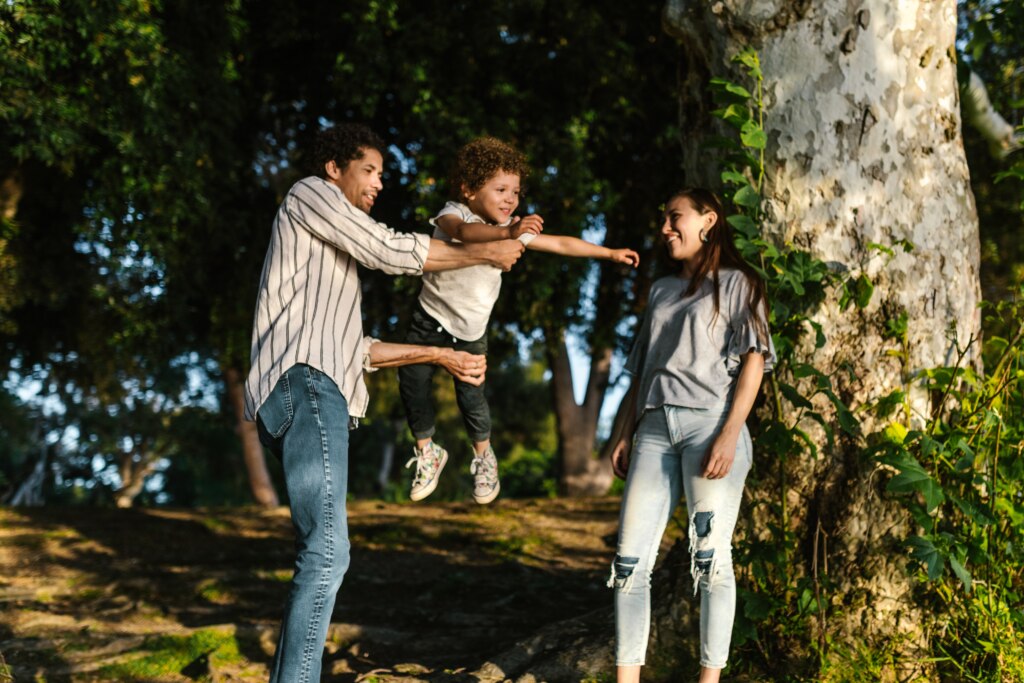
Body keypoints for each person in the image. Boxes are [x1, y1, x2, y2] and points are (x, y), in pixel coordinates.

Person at [243, 123, 525, 683]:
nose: (378, 183)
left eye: (380, 174)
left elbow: (359, 349)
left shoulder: (329, 255)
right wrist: (485, 251)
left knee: (326, 554)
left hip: (309, 393)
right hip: (307, 386)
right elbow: (387, 248)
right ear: (334, 169)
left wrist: (440, 357)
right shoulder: (310, 194)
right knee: (327, 554)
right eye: (368, 170)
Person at [398, 136, 640, 504]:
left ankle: (484, 458)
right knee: (412, 381)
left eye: (515, 191)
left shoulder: (512, 227)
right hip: (429, 317)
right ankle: (428, 451)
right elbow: (465, 234)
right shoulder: (454, 213)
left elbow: (559, 243)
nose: (511, 199)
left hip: (470, 330)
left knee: (471, 397)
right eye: (500, 189)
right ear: (468, 189)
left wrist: (608, 252)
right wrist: (509, 232)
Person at [601, 188, 776, 683]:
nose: (665, 228)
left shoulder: (740, 283)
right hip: (653, 428)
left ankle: (708, 680)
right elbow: (644, 371)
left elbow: (754, 364)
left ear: (708, 220)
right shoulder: (661, 290)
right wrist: (622, 432)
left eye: (674, 217)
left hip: (711, 425)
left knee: (712, 561)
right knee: (629, 562)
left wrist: (729, 433)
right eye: (663, 219)